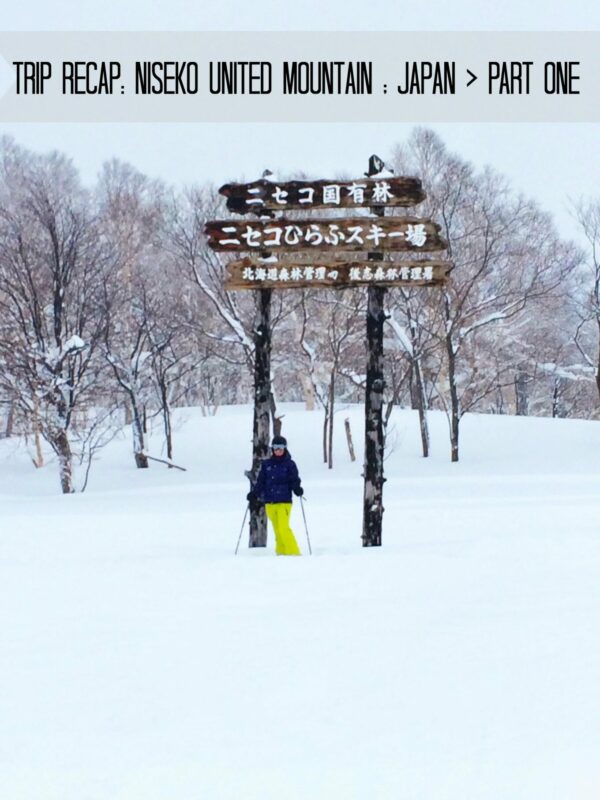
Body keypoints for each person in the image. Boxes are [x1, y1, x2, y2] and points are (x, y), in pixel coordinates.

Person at [246, 435, 304, 556]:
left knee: (283, 529)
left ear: (285, 448)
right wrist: (254, 494)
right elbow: (261, 482)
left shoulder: (290, 464)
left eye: (281, 447)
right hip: (270, 503)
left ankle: (294, 554)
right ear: (272, 449)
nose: (278, 450)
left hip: (284, 502)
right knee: (278, 531)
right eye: (276, 447)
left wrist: (297, 489)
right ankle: (281, 554)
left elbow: (294, 479)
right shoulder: (267, 465)